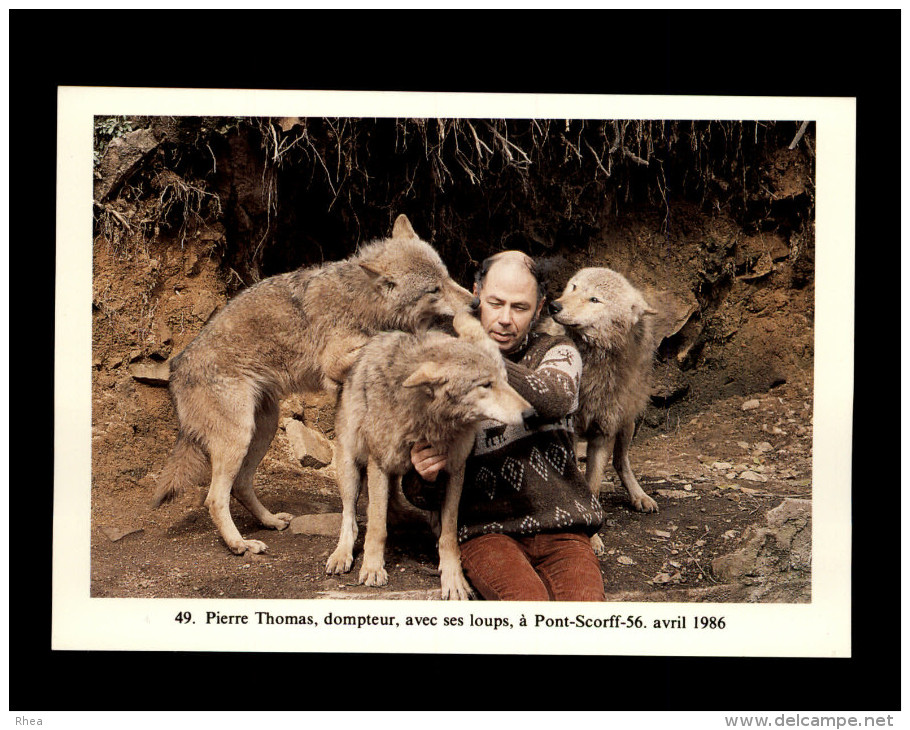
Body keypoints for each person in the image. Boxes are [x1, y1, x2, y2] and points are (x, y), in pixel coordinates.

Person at [403, 251, 606, 601]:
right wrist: (424, 474)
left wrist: (477, 354)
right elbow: (422, 495)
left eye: (520, 307)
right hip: (486, 533)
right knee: (525, 614)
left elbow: (555, 398)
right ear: (475, 295)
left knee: (587, 619)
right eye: (495, 303)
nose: (505, 319)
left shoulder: (557, 350)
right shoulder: (443, 374)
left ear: (540, 309)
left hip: (563, 530)